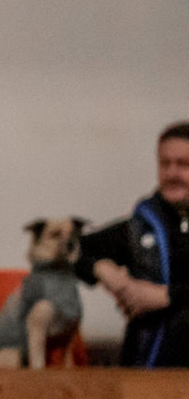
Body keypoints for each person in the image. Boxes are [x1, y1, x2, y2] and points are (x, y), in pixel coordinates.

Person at [77, 120, 189, 369]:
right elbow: (74, 250)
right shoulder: (141, 226)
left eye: (183, 164)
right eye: (165, 164)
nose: (172, 173)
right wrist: (103, 271)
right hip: (146, 366)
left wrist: (165, 296)